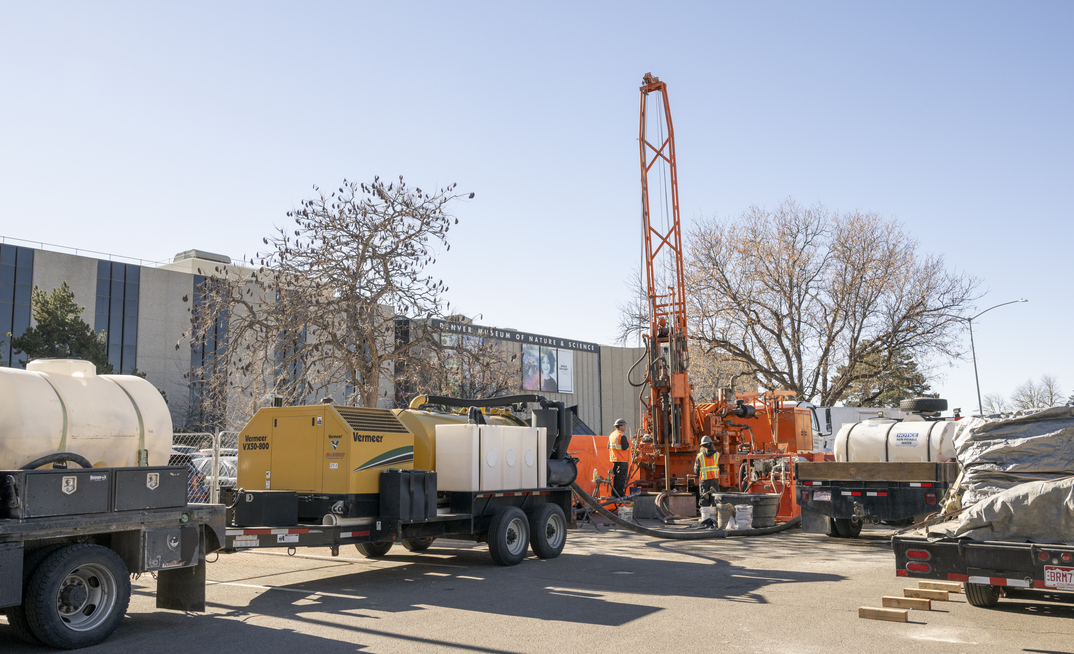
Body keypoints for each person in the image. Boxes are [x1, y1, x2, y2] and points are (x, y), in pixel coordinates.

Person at [694, 435, 720, 507]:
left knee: (704, 498)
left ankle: (705, 516)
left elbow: (696, 470)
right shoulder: (717, 455)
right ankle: (715, 516)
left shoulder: (699, 456)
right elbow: (718, 465)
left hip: (704, 480)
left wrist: (698, 475)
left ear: (702, 445)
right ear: (711, 444)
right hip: (714, 480)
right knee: (715, 498)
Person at [607, 418, 630, 497]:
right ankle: (620, 494)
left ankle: (614, 494)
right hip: (622, 460)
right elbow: (624, 447)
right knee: (621, 478)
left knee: (616, 478)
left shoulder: (612, 435)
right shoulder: (621, 436)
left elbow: (608, 446)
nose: (625, 427)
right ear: (620, 426)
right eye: (624, 425)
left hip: (614, 459)